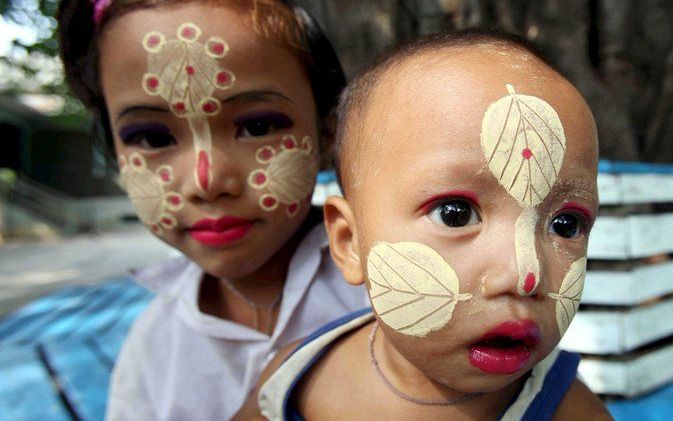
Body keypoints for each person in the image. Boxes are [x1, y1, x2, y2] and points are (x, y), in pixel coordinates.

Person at [241, 29, 613, 420]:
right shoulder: (298, 378)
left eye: (565, 224)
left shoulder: (572, 413)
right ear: (351, 242)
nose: (524, 274)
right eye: (455, 213)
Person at [56, 1, 369, 419]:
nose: (206, 181)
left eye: (258, 127)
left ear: (327, 129)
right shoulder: (152, 352)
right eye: (151, 137)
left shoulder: (389, 286)